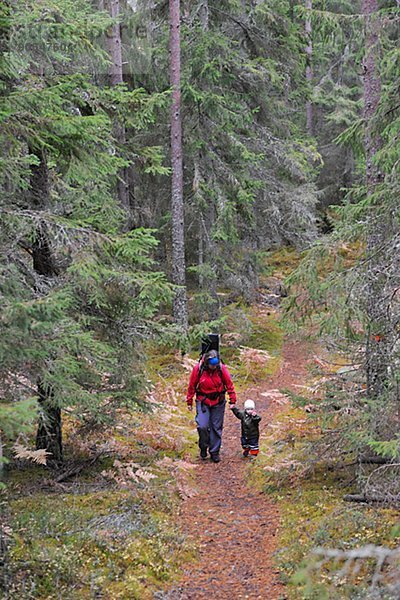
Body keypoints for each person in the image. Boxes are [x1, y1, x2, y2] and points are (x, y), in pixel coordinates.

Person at [186, 349, 236, 463]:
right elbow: (192, 386)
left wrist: (232, 399)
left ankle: (214, 452)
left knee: (216, 427)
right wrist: (189, 401)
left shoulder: (221, 368)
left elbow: (229, 384)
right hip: (203, 401)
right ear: (207, 363)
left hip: (218, 401)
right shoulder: (198, 369)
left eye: (215, 365)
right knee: (202, 426)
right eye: (212, 365)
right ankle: (203, 446)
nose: (214, 367)